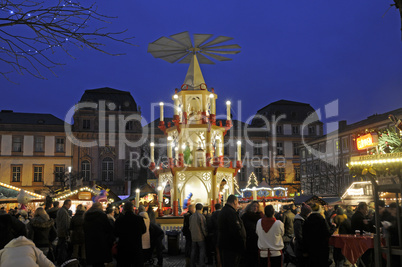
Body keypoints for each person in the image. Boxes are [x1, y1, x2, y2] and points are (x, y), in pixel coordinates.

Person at [302, 203, 336, 267]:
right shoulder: (322, 220)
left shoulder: (307, 220)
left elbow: (304, 236)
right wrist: (334, 227)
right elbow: (328, 233)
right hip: (322, 248)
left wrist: (304, 250)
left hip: (310, 248)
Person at [115, 201, 146, 267]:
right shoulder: (139, 219)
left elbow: (115, 233)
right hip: (136, 246)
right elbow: (144, 230)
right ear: (133, 209)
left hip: (123, 247)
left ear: (124, 209)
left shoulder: (119, 220)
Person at [218, 195, 246, 267]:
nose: (237, 205)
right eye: (237, 202)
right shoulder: (231, 212)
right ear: (234, 201)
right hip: (231, 246)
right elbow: (235, 229)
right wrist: (241, 242)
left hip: (226, 244)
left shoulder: (224, 211)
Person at [84, 202, 114, 267]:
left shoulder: (86, 216)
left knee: (94, 263)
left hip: (90, 242)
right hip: (101, 242)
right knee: (100, 262)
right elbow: (108, 229)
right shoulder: (102, 216)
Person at [241, 201, 263, 267]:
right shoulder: (245, 216)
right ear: (250, 207)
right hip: (249, 240)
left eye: (257, 206)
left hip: (258, 240)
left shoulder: (260, 216)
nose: (255, 208)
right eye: (254, 206)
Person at [189, 203, 208, 267]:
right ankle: (201, 263)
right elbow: (203, 227)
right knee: (202, 250)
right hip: (200, 236)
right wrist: (205, 234)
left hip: (193, 236)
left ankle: (192, 264)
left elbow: (190, 227)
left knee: (193, 250)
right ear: (202, 209)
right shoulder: (201, 216)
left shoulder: (191, 216)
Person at [293, 203, 311, 267]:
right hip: (301, 249)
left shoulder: (303, 219)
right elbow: (299, 236)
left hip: (303, 247)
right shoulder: (299, 221)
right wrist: (305, 248)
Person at [56, 199, 71, 265]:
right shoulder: (64, 212)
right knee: (63, 248)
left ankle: (60, 261)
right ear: (65, 204)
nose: (70, 206)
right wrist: (67, 233)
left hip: (60, 231)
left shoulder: (61, 210)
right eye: (69, 204)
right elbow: (65, 223)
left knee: (61, 247)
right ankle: (62, 261)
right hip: (62, 232)